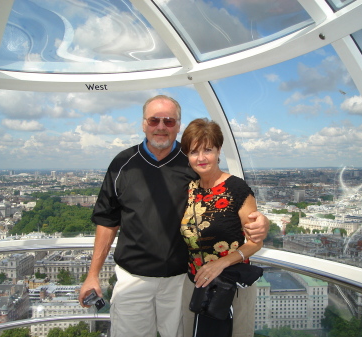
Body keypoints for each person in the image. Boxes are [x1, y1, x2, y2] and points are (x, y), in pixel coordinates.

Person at [78, 95, 269, 337]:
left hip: (181, 281)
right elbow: (107, 221)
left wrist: (263, 221)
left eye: (168, 121)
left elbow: (229, 201)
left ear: (178, 126)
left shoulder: (192, 164)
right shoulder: (123, 164)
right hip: (133, 278)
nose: (160, 127)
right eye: (154, 120)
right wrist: (92, 275)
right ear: (143, 123)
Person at [180, 118, 263, 337]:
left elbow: (256, 242)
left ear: (218, 151)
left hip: (230, 286)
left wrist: (221, 263)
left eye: (208, 150)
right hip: (195, 283)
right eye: (194, 152)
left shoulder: (236, 188)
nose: (201, 158)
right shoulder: (189, 190)